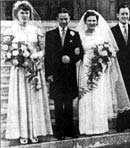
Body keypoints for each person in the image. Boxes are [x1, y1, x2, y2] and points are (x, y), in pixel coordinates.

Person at [1, 1, 53, 144]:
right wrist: (15, 58)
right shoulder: (11, 31)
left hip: (34, 69)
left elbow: (44, 49)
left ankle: (35, 132)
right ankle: (23, 133)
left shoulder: (35, 30)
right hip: (19, 71)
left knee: (34, 100)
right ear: (16, 14)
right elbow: (5, 50)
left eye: (27, 13)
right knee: (21, 100)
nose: (25, 15)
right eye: (22, 13)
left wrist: (37, 55)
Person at [76, 10, 130, 135]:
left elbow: (110, 52)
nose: (92, 23)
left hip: (100, 69)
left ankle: (99, 126)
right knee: (86, 95)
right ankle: (86, 127)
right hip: (85, 66)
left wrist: (104, 63)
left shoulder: (102, 35)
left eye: (94, 21)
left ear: (97, 22)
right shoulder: (80, 35)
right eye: (89, 20)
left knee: (98, 95)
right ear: (85, 22)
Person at [44, 8, 83, 140]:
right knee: (58, 103)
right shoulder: (50, 35)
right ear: (57, 19)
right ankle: (59, 131)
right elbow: (47, 56)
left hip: (69, 75)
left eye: (66, 19)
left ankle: (69, 129)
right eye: (61, 19)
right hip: (56, 75)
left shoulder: (74, 34)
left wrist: (71, 58)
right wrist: (49, 74)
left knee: (69, 103)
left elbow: (79, 53)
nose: (64, 21)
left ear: (69, 19)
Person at [111, 4, 130, 132]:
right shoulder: (112, 31)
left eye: (127, 14)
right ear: (118, 15)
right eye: (122, 14)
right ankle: (122, 123)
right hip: (119, 67)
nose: (125, 16)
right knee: (121, 94)